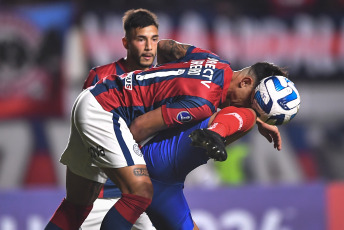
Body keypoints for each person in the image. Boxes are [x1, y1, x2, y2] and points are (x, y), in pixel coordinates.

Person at [45, 38, 282, 230]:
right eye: (251, 103)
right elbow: (139, 128)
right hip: (106, 112)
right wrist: (122, 166)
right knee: (140, 192)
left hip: (94, 99)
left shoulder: (213, 61)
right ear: (246, 82)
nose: (246, 110)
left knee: (76, 206)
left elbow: (165, 47)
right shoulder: (203, 103)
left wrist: (161, 81)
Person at [80, 8, 159, 230]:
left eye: (153, 39)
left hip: (143, 195)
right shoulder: (100, 77)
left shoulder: (163, 80)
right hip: (102, 195)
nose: (148, 47)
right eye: (141, 39)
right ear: (126, 42)